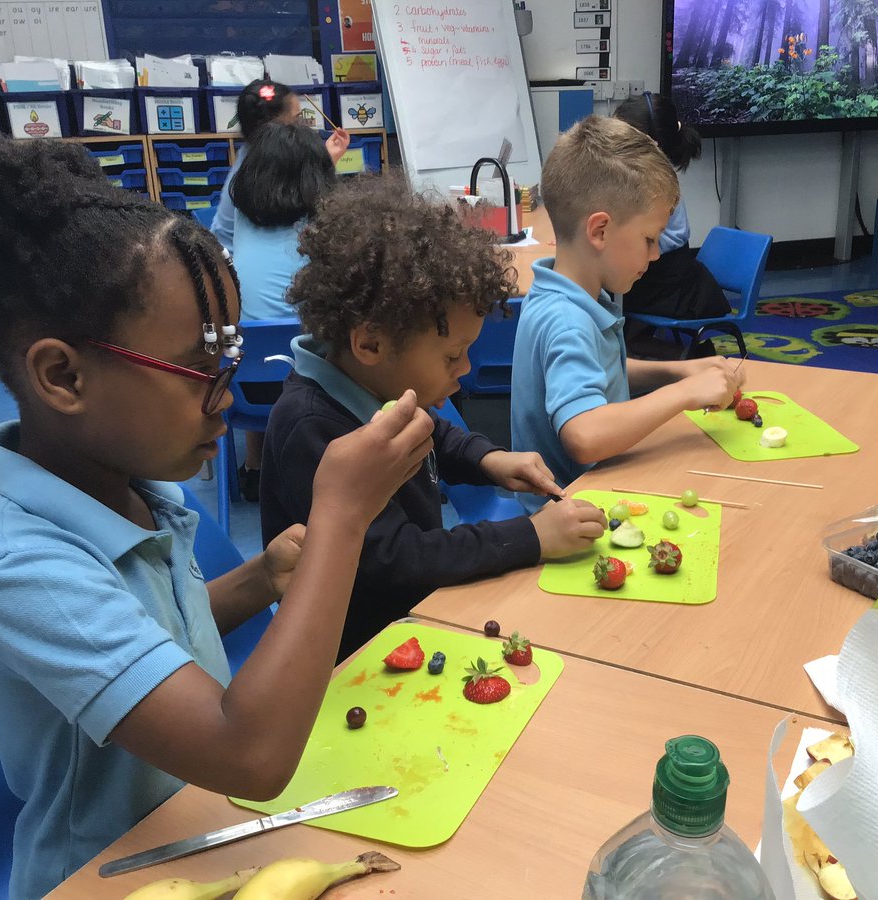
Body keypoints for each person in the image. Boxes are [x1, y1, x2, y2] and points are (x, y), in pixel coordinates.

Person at [0, 133, 433, 900]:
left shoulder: (134, 485)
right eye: (200, 371)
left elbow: (144, 636)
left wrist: (258, 582)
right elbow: (252, 757)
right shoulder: (18, 568)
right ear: (63, 376)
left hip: (197, 826)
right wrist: (340, 517)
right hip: (108, 874)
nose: (225, 397)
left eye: (228, 364)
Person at [260, 175, 607, 660]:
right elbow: (397, 557)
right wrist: (531, 536)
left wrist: (490, 460)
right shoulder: (311, 428)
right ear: (371, 343)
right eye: (452, 356)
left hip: (416, 612)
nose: (465, 369)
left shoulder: (373, 387)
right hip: (366, 651)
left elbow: (435, 432)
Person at [510, 115, 745, 511]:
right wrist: (683, 393)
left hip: (593, 495)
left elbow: (597, 369)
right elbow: (585, 436)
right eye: (649, 239)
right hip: (576, 513)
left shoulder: (563, 291)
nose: (655, 255)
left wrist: (676, 370)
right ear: (599, 231)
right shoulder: (568, 320)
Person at [228, 121, 339, 500]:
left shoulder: (243, 217)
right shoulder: (323, 226)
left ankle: (255, 467)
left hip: (245, 386)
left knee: (261, 338)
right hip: (316, 389)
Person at [612, 92, 731, 326]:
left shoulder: (655, 182)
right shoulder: (634, 173)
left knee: (599, 295)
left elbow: (659, 238)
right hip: (654, 273)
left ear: (646, 143)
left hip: (669, 285)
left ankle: (631, 351)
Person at [209, 78, 350, 253]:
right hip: (232, 263)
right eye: (297, 119)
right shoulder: (260, 178)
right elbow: (310, 212)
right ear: (275, 131)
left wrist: (325, 159)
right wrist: (324, 164)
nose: (304, 126)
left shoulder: (255, 161)